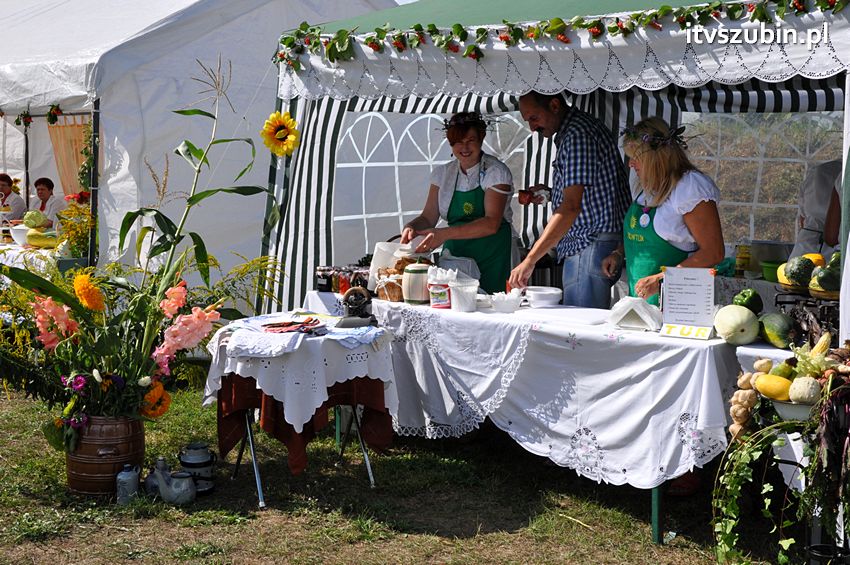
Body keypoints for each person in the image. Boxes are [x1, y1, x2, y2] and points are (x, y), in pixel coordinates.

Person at [509, 92, 631, 309]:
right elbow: (589, 190)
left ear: (554, 105)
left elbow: (571, 207)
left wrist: (530, 260)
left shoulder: (577, 135)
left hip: (589, 243)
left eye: (534, 118)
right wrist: (551, 193)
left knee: (581, 328)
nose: (532, 127)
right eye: (527, 121)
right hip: (595, 241)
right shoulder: (579, 128)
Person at [601, 117, 725, 306]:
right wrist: (619, 253)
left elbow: (713, 253)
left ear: (655, 158)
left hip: (678, 304)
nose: (631, 164)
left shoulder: (690, 187)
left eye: (636, 158)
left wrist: (661, 279)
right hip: (640, 303)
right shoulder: (647, 189)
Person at [400, 112, 514, 293]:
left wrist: (443, 234)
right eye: (458, 142)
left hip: (493, 255)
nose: (465, 147)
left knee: (491, 310)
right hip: (456, 257)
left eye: (470, 140)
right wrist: (412, 226)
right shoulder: (443, 174)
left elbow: (491, 223)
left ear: (482, 136)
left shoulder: (495, 172)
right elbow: (428, 217)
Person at [790, 159, 841, 258]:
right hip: (829, 251)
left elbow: (802, 218)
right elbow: (831, 237)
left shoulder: (817, 171)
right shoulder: (843, 177)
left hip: (804, 244)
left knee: (792, 272)